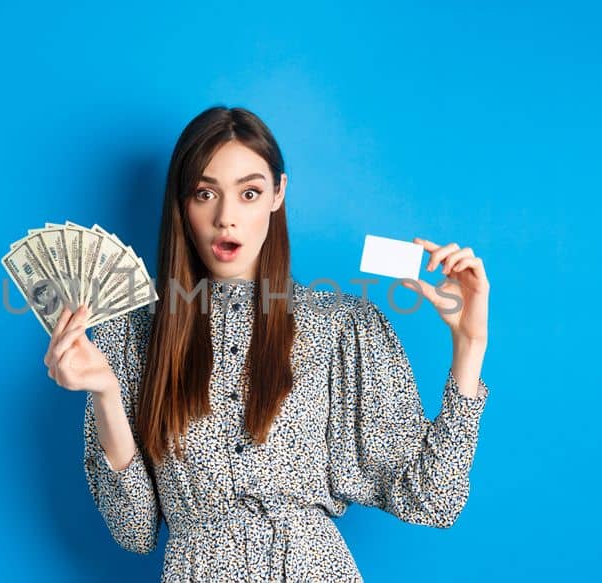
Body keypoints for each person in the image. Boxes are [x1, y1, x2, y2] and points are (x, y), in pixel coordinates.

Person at [42, 105, 491, 581]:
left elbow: (434, 499)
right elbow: (134, 531)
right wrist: (106, 394)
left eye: (249, 192)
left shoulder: (339, 327)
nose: (225, 218)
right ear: (182, 203)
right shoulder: (133, 335)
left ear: (278, 194)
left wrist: (469, 346)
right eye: (204, 193)